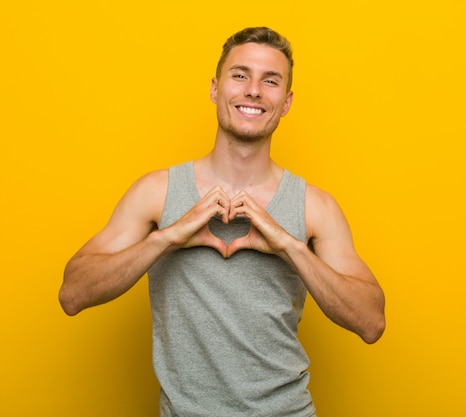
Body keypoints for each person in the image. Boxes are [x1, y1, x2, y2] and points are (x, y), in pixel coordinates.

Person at [59, 26, 385, 417]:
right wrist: (166, 239)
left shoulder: (315, 207)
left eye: (271, 81)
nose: (253, 91)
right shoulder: (156, 192)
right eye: (240, 75)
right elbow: (72, 294)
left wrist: (290, 246)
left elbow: (371, 322)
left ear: (286, 102)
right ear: (216, 89)